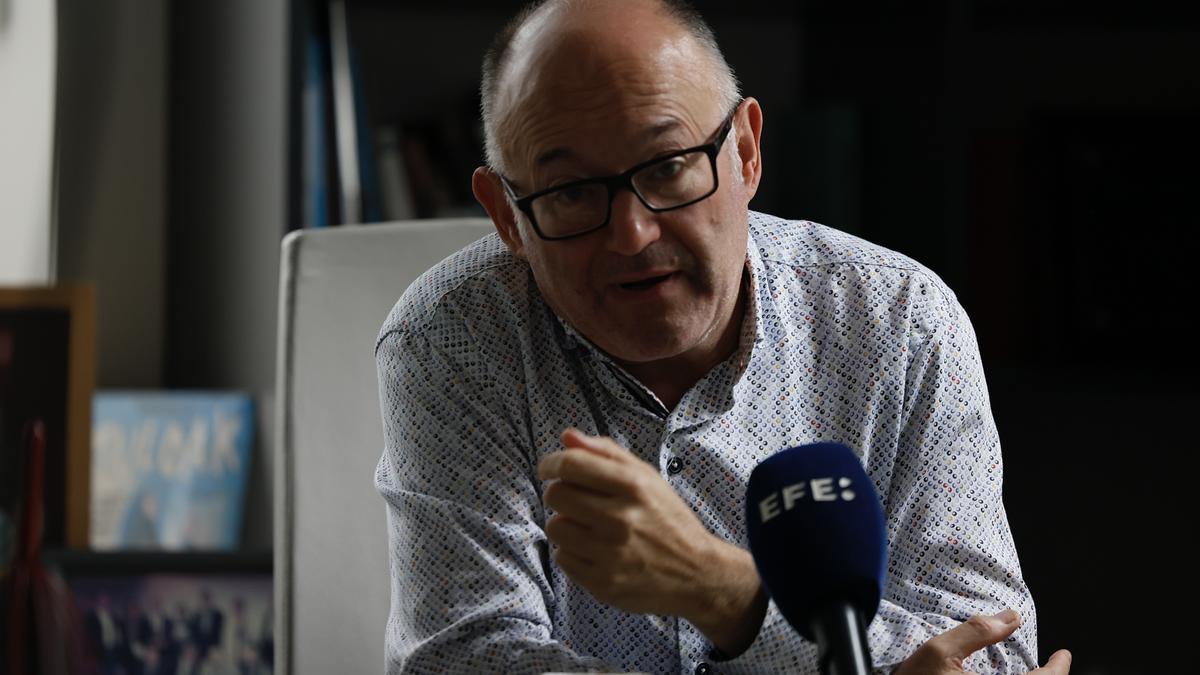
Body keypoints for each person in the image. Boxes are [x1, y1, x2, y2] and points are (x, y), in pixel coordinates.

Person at [374, 1, 1072, 673]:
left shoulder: (900, 323)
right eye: (571, 193)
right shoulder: (452, 339)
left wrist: (732, 594)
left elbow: (988, 653)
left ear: (745, 151)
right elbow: (464, 657)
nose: (633, 234)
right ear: (505, 216)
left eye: (668, 165)